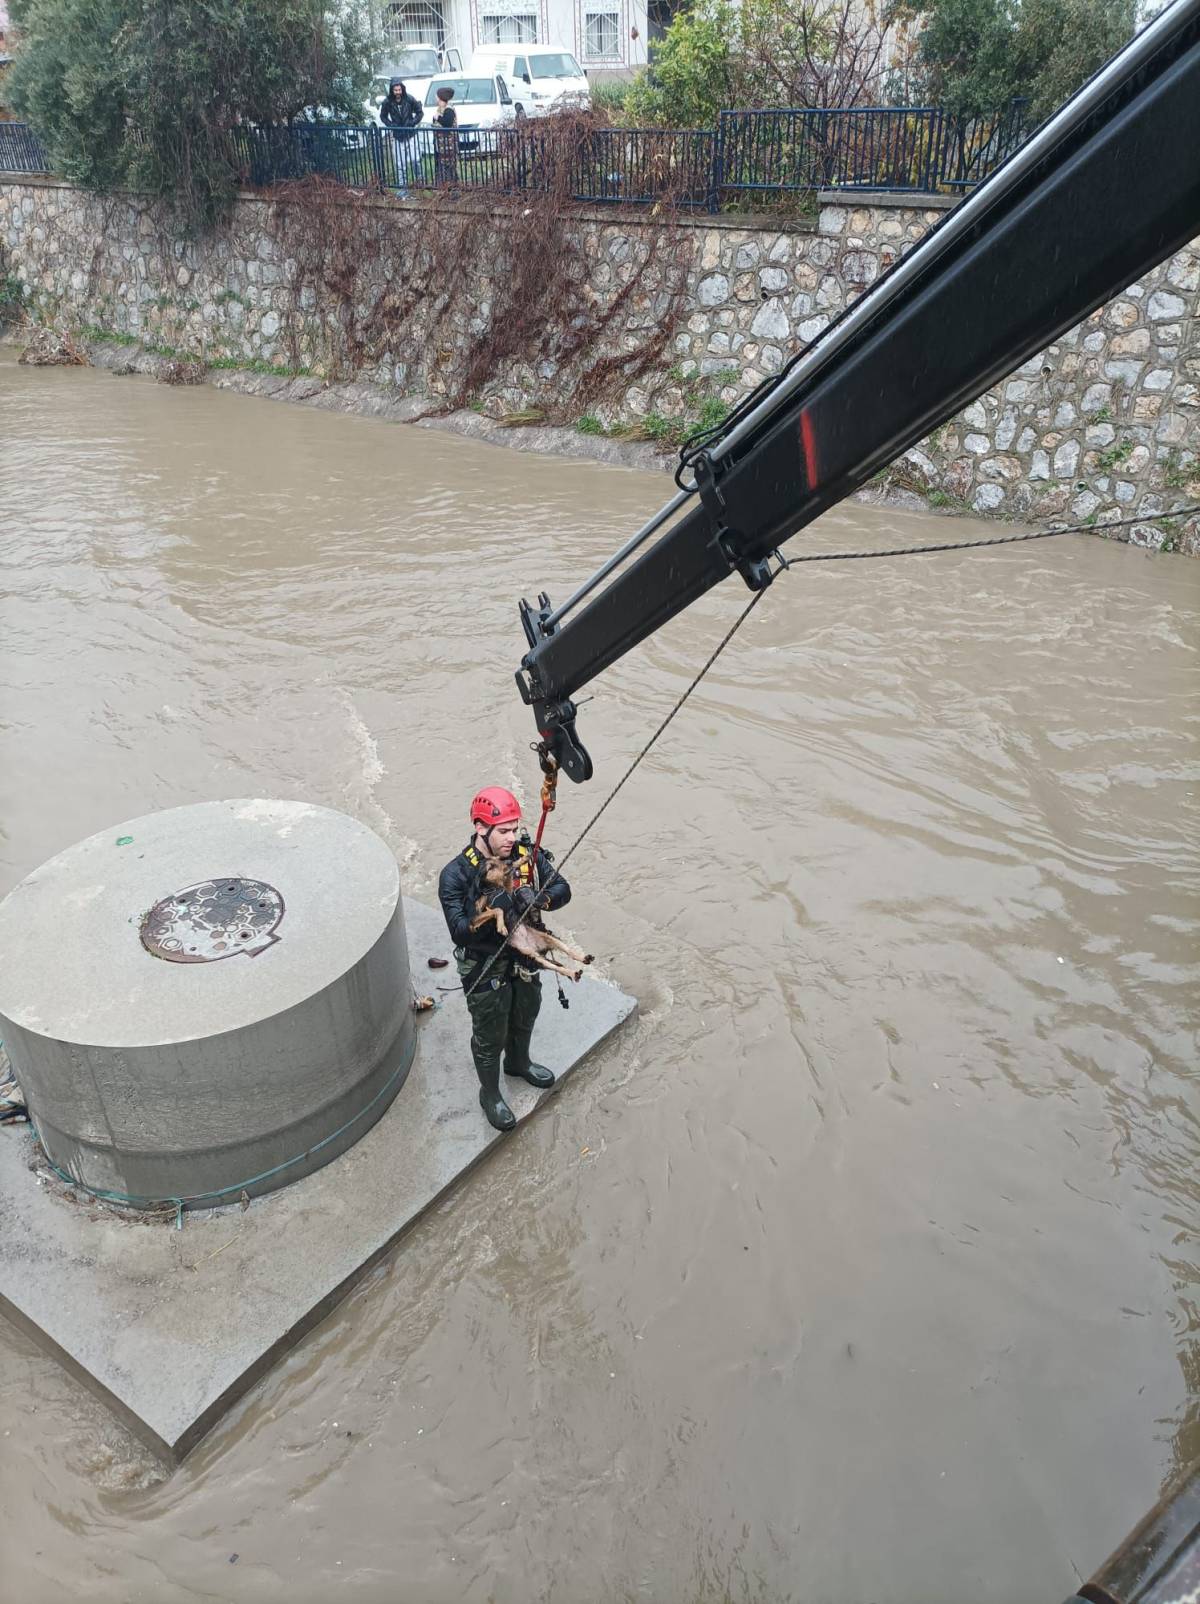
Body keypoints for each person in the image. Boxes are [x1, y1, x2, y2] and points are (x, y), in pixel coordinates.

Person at [438, 787, 572, 1132]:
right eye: (504, 831)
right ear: (481, 828)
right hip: (485, 962)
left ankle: (518, 1061)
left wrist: (538, 899)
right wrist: (495, 907)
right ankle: (491, 1092)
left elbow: (563, 889)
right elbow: (459, 931)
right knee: (489, 1030)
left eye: (514, 829)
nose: (512, 838)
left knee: (527, 1007)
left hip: (524, 953)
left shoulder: (527, 857)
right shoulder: (457, 874)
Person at [379, 76, 422, 195]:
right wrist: (391, 125)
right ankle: (403, 188)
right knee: (400, 164)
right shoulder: (387, 102)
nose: (398, 92)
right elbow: (382, 116)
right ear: (392, 90)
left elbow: (420, 112)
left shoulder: (409, 99)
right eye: (395, 90)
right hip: (397, 136)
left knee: (415, 160)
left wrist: (412, 122)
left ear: (402, 89)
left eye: (399, 90)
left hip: (410, 134)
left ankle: (420, 182)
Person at [431, 85, 458, 187]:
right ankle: (444, 187)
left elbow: (447, 123)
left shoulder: (449, 110)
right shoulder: (440, 109)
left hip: (448, 145)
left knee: (449, 167)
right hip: (441, 145)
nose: (436, 98)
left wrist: (437, 118)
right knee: (443, 167)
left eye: (437, 96)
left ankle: (453, 188)